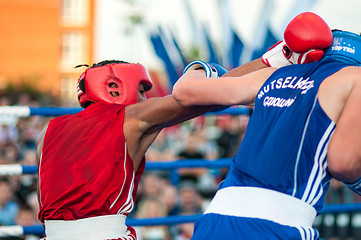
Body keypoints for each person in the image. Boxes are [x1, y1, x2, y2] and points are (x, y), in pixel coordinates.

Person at [172, 12, 361, 239]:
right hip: (281, 224)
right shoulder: (355, 78)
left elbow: (184, 92)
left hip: (215, 218)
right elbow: (343, 164)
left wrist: (202, 69)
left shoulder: (273, 74)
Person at [35, 59, 270, 240]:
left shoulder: (47, 132)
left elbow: (44, 202)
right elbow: (203, 95)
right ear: (115, 87)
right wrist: (276, 57)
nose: (145, 98)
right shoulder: (130, 117)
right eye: (140, 90)